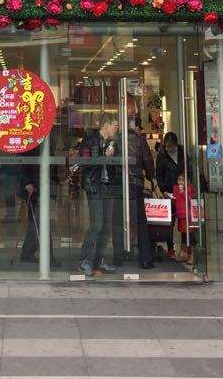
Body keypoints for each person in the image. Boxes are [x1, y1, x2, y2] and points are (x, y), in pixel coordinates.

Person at [77, 113, 119, 275]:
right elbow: (85, 162)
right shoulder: (90, 140)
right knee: (97, 224)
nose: (116, 128)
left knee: (106, 226)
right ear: (106, 125)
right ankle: (85, 260)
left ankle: (98, 261)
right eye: (115, 125)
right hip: (94, 186)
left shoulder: (112, 143)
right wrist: (104, 157)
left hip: (107, 186)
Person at [124, 117, 156, 269]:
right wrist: (150, 176)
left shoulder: (117, 140)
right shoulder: (140, 140)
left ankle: (120, 256)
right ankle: (145, 258)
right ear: (136, 127)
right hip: (136, 183)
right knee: (140, 221)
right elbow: (148, 161)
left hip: (120, 185)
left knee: (119, 221)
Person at [17, 161, 60, 266]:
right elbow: (22, 165)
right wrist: (27, 183)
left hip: (42, 187)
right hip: (34, 190)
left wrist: (55, 182)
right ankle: (48, 258)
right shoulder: (30, 151)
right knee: (40, 223)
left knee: (35, 223)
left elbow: (51, 168)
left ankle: (27, 253)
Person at [154, 132, 184, 259]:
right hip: (169, 191)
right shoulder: (162, 155)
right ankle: (171, 249)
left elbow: (187, 169)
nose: (168, 148)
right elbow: (159, 174)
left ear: (175, 144)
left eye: (171, 146)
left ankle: (185, 248)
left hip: (182, 191)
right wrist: (163, 190)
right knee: (169, 222)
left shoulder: (182, 154)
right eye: (166, 146)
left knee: (184, 220)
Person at [171, 171, 198, 265]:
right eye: (179, 180)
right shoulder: (175, 188)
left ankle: (191, 254)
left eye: (183, 180)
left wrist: (183, 192)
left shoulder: (190, 188)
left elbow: (191, 200)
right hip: (180, 215)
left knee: (190, 234)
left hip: (188, 215)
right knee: (183, 234)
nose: (181, 182)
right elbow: (175, 199)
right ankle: (183, 253)